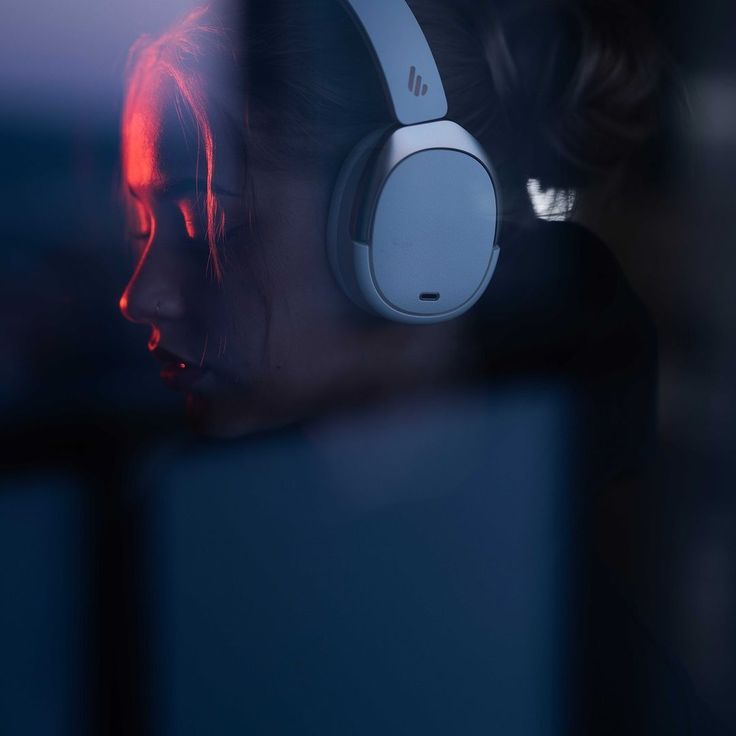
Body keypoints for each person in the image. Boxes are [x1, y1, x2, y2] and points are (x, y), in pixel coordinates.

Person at [117, 2, 697, 733]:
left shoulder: (572, 669)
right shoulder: (202, 565)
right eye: (140, 227)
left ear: (417, 230)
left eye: (213, 226)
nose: (141, 296)